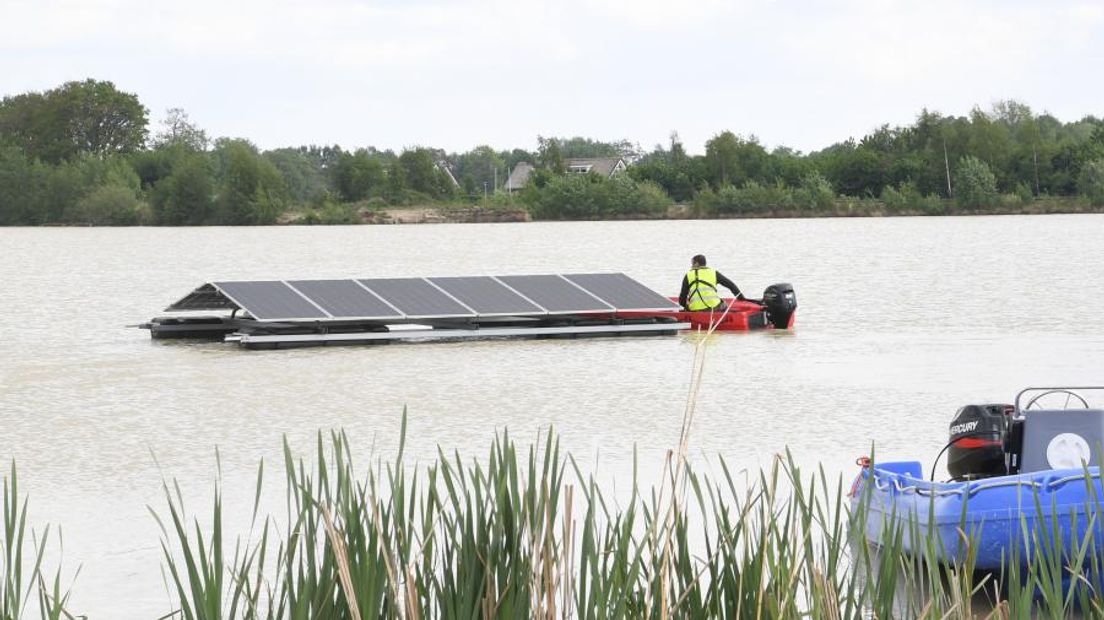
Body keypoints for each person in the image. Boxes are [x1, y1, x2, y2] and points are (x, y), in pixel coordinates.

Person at [678, 254, 745, 311]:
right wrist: (741, 298)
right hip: (714, 308)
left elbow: (682, 298)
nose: (691, 266)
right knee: (724, 304)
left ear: (697, 263)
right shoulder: (713, 273)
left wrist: (685, 307)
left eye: (692, 264)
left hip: (695, 309)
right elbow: (731, 285)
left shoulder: (688, 275)